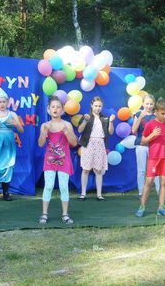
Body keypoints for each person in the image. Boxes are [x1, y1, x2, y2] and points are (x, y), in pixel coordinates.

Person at [135, 98, 165, 217]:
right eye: (163, 113)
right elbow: (143, 141)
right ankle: (142, 206)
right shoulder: (150, 124)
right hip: (154, 157)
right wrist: (152, 135)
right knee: (149, 182)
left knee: (164, 183)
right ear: (156, 112)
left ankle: (161, 207)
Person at [38, 96, 77, 224]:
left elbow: (74, 143)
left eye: (58, 107)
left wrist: (67, 132)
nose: (55, 109)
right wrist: (44, 132)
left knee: (63, 187)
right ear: (48, 110)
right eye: (53, 107)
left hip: (64, 161)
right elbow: (40, 144)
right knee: (48, 186)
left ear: (62, 110)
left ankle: (65, 214)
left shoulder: (67, 125)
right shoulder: (45, 125)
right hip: (49, 161)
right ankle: (44, 214)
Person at [77, 96, 115, 201]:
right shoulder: (86, 116)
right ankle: (83, 193)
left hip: (100, 144)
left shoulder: (105, 118)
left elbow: (111, 132)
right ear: (91, 105)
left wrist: (111, 122)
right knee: (85, 169)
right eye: (96, 106)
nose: (97, 108)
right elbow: (80, 130)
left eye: (100, 106)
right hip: (88, 144)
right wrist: (85, 120)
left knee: (98, 170)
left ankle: (99, 194)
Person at [131, 94, 160, 199]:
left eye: (151, 104)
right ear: (143, 104)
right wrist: (140, 117)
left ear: (154, 104)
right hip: (141, 145)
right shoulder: (138, 114)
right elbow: (133, 130)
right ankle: (141, 192)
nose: (149, 106)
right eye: (147, 103)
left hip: (153, 146)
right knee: (141, 170)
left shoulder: (156, 116)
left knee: (155, 169)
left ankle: (159, 191)